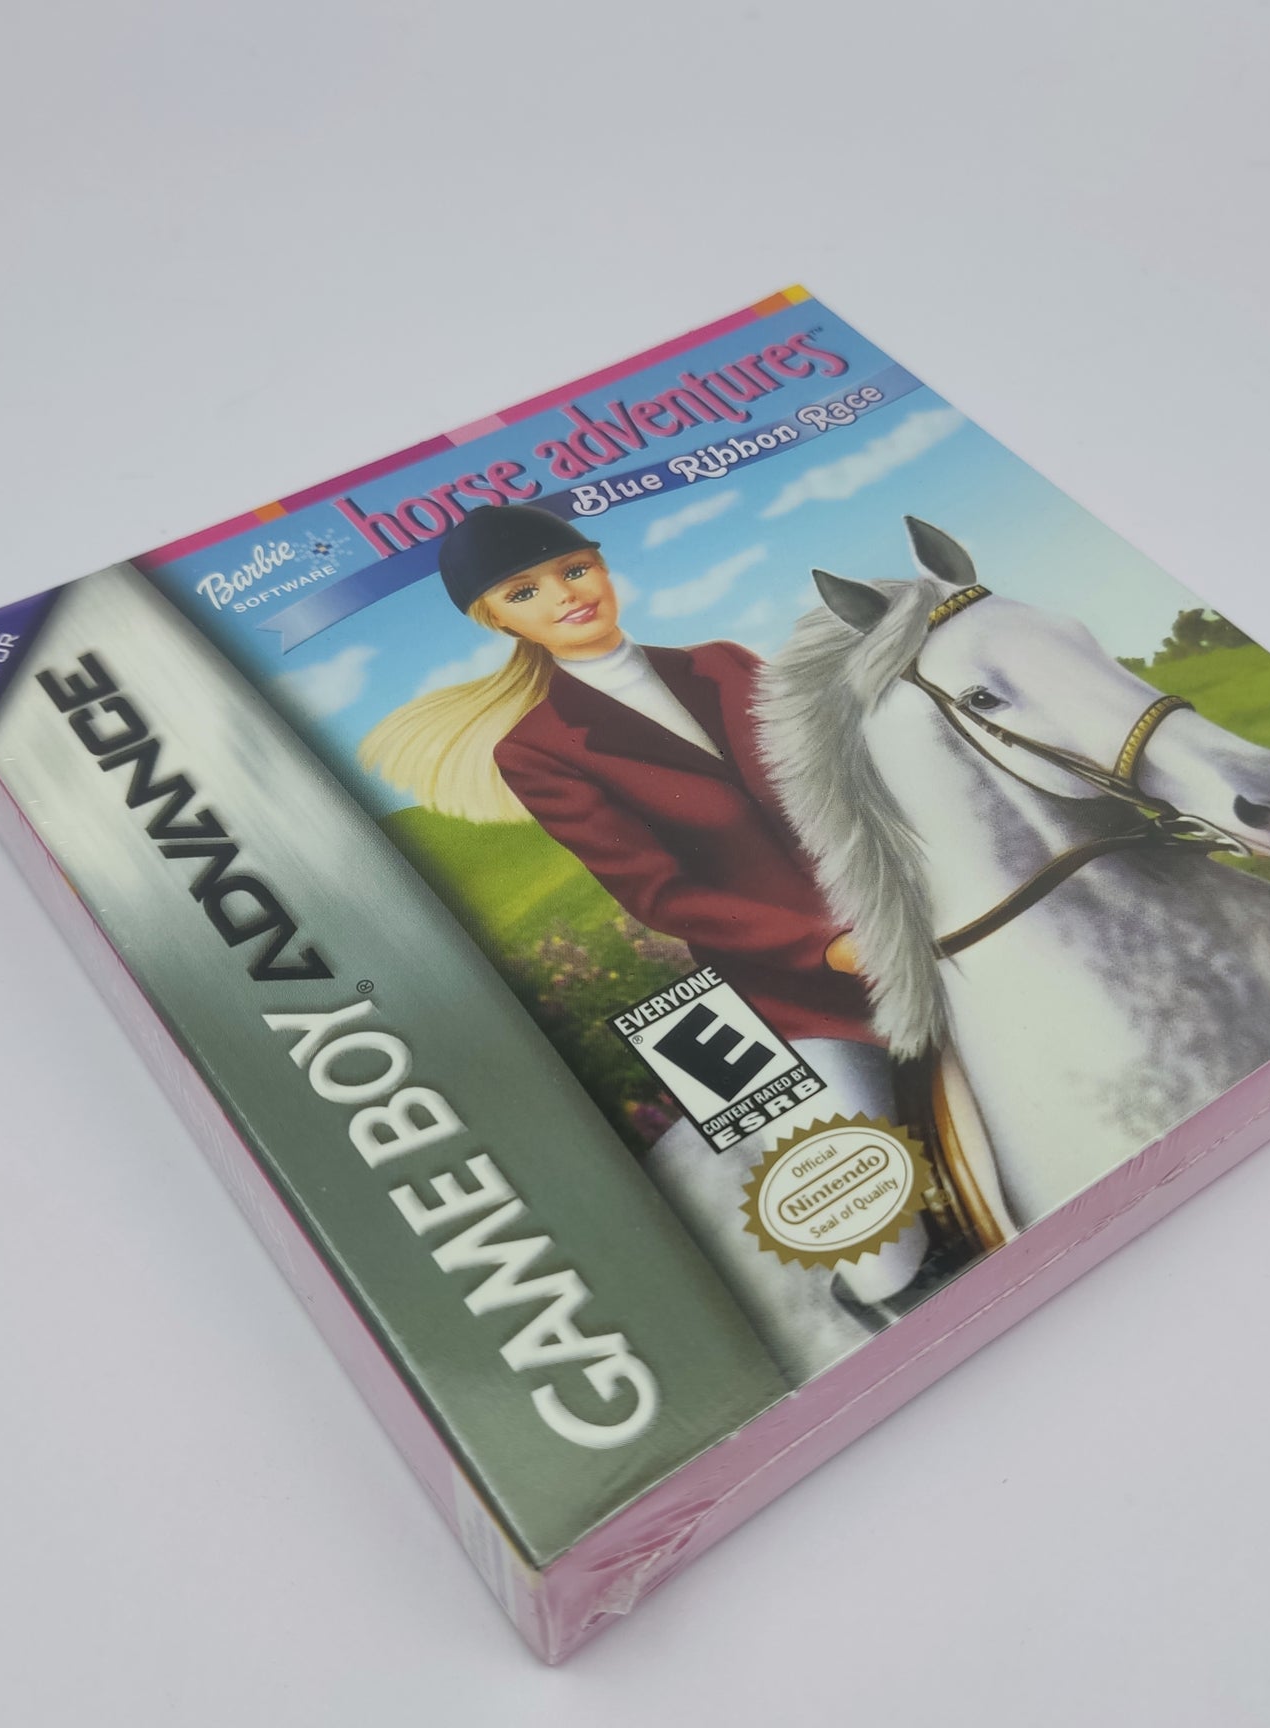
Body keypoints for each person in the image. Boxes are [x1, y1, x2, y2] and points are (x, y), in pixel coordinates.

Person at [358, 504, 928, 1328]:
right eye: (526, 591)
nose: (566, 595)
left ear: (601, 566)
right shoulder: (534, 751)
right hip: (776, 1000)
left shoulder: (724, 663)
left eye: (574, 570)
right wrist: (830, 947)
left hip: (908, 927)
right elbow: (657, 897)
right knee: (876, 1246)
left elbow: (844, 778)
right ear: (497, 620)